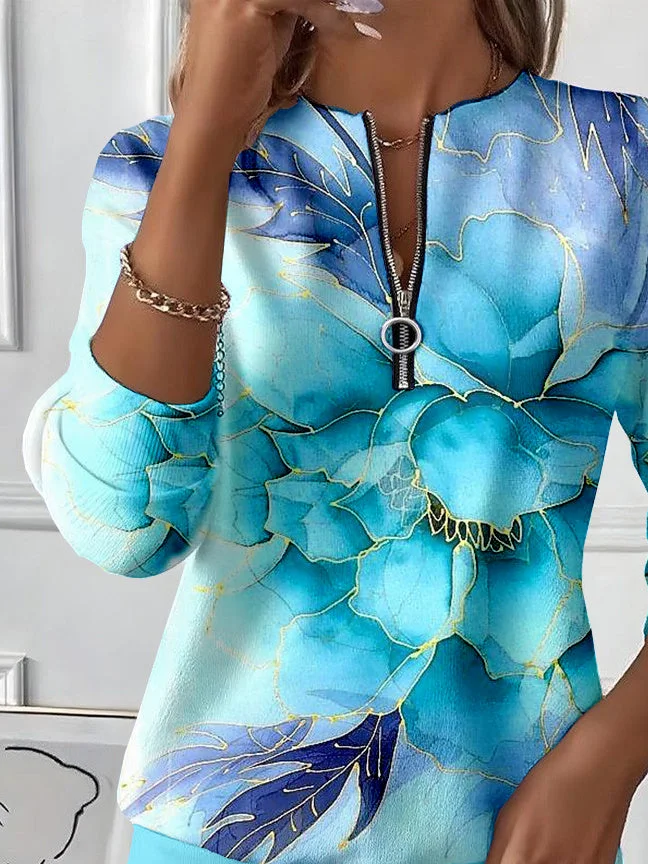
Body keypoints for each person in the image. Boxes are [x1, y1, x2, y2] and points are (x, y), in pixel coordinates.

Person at [21, 0, 648, 861]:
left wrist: (609, 760)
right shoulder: (156, 167)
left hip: (517, 830)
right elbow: (125, 525)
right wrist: (207, 130)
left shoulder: (621, 164)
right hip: (213, 832)